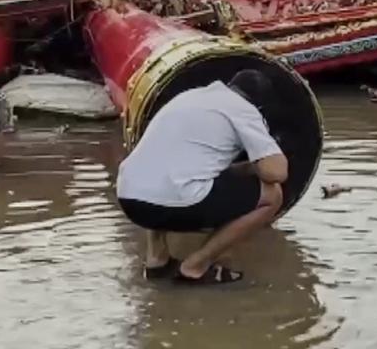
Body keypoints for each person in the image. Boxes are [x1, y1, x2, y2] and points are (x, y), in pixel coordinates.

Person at [116, 69, 288, 285]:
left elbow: (194, 163)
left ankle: (156, 260)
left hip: (129, 196)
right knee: (273, 195)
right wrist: (258, 164)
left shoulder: (189, 97)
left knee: (165, 170)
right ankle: (195, 266)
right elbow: (276, 172)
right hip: (174, 200)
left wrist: (245, 168)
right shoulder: (244, 109)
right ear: (259, 106)